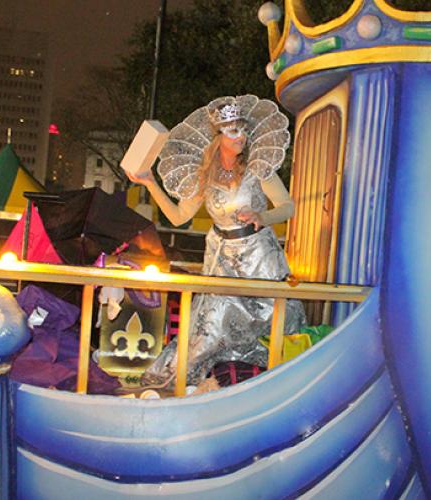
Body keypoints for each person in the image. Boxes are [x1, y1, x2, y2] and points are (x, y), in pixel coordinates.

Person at [126, 95, 306, 387]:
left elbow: (288, 207)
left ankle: (276, 384)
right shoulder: (205, 176)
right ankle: (195, 384)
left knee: (274, 321)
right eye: (234, 131)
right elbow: (177, 217)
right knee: (212, 325)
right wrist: (149, 182)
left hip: (260, 259)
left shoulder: (259, 168)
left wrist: (263, 215)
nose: (241, 137)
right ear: (218, 137)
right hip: (221, 259)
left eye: (243, 130)